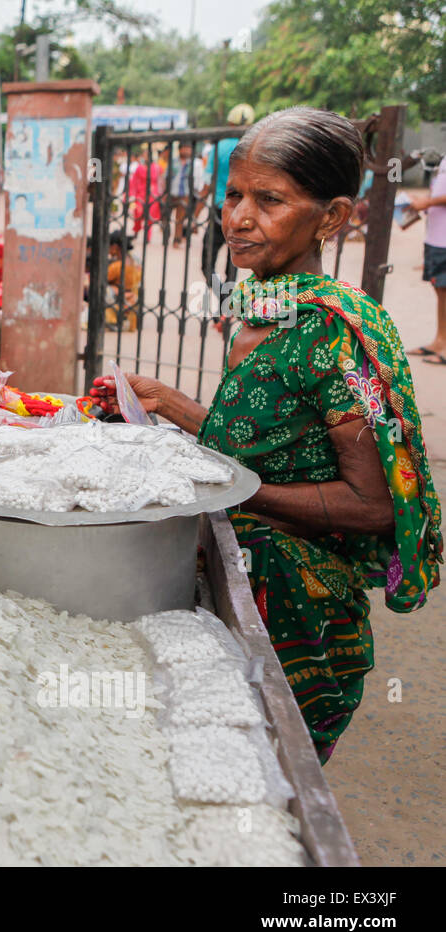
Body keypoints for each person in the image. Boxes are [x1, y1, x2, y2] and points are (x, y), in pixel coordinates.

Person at [90, 106, 442, 763]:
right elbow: (253, 437)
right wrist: (164, 400)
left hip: (299, 610)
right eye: (233, 195)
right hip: (240, 575)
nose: (239, 218)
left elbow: (372, 504)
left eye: (269, 200)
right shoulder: (260, 306)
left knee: (270, 770)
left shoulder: (335, 335)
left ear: (332, 217)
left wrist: (240, 492)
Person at [202, 102, 255, 286]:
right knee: (233, 262)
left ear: (230, 123)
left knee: (207, 262)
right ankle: (226, 305)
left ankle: (221, 297)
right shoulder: (251, 148)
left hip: (219, 209)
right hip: (241, 212)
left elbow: (207, 181)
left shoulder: (219, 147)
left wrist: (196, 211)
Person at [409, 156, 446, 363]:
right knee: (440, 290)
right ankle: (440, 341)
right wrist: (422, 203)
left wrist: (429, 201)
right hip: (437, 237)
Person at [104, 231, 141, 331]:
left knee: (102, 289)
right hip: (132, 299)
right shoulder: (134, 260)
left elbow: (103, 279)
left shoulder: (117, 266)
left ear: (115, 247)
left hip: (123, 301)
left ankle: (112, 321)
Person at [165, 142, 196, 248]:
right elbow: (166, 177)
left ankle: (177, 240)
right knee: (166, 216)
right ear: (180, 150)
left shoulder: (192, 164)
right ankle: (166, 235)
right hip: (172, 193)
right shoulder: (173, 162)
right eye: (185, 148)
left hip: (185, 194)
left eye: (189, 149)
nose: (187, 151)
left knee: (180, 219)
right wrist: (165, 192)